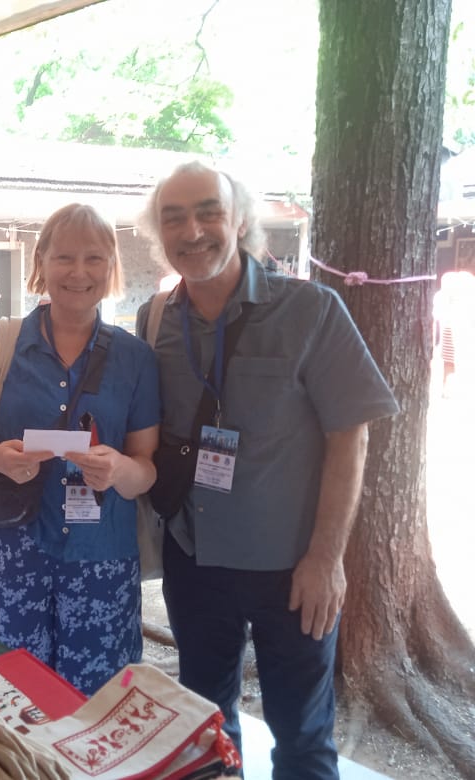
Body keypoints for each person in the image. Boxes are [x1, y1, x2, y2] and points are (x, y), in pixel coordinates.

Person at [137, 161, 399, 778]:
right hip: (194, 560)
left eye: (209, 211)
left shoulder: (311, 310)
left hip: (291, 569)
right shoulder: (154, 323)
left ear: (241, 221)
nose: (193, 230)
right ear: (159, 234)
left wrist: (326, 559)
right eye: (174, 218)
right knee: (204, 726)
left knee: (303, 737)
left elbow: (350, 439)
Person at [0, 203, 160, 695]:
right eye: (64, 257)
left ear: (112, 266)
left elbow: (147, 468)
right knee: (17, 696)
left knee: (96, 701)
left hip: (101, 560)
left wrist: (119, 470)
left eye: (94, 258)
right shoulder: (4, 342)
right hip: (14, 553)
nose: (79, 272)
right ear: (40, 261)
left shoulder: (136, 359)